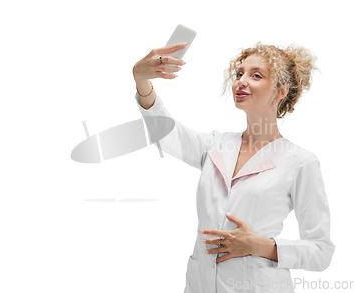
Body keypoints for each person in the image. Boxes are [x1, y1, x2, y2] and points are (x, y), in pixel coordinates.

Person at [133, 42, 335, 293]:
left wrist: (261, 246)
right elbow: (165, 134)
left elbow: (321, 250)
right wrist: (142, 82)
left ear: (281, 91)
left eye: (256, 75)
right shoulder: (216, 145)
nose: (241, 81)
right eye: (239, 73)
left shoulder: (300, 162)